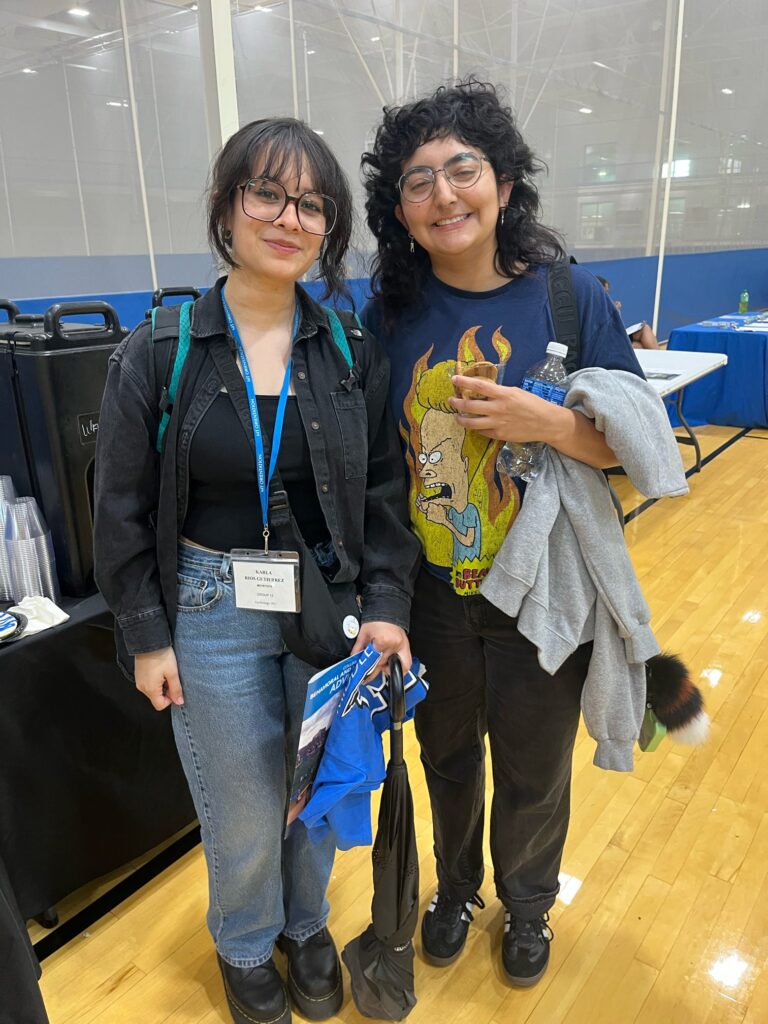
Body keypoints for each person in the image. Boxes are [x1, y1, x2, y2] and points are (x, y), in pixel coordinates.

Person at [94, 118, 420, 1024]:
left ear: (330, 227)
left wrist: (387, 605)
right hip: (208, 609)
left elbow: (385, 490)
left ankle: (305, 925)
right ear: (227, 205)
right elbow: (117, 509)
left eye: (312, 204)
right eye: (267, 194)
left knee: (313, 787)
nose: (289, 218)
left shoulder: (349, 348)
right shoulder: (158, 351)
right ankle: (245, 940)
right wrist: (145, 637)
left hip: (327, 601)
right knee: (241, 806)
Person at [361, 79, 645, 988]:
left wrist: (548, 421)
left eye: (463, 170)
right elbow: (375, 465)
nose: (443, 195)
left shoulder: (569, 298)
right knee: (445, 758)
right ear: (399, 211)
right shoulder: (388, 316)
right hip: (432, 595)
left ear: (505, 184)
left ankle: (528, 904)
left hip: (541, 589)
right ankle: (455, 890)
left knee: (534, 766)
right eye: (417, 182)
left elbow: (633, 447)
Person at [595, 275, 661, 348]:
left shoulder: (605, 304)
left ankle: (659, 354)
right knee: (639, 346)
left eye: (608, 292)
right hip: (604, 341)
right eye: (605, 292)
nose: (607, 295)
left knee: (645, 328)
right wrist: (613, 312)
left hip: (616, 337)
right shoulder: (591, 306)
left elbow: (617, 326)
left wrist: (616, 311)